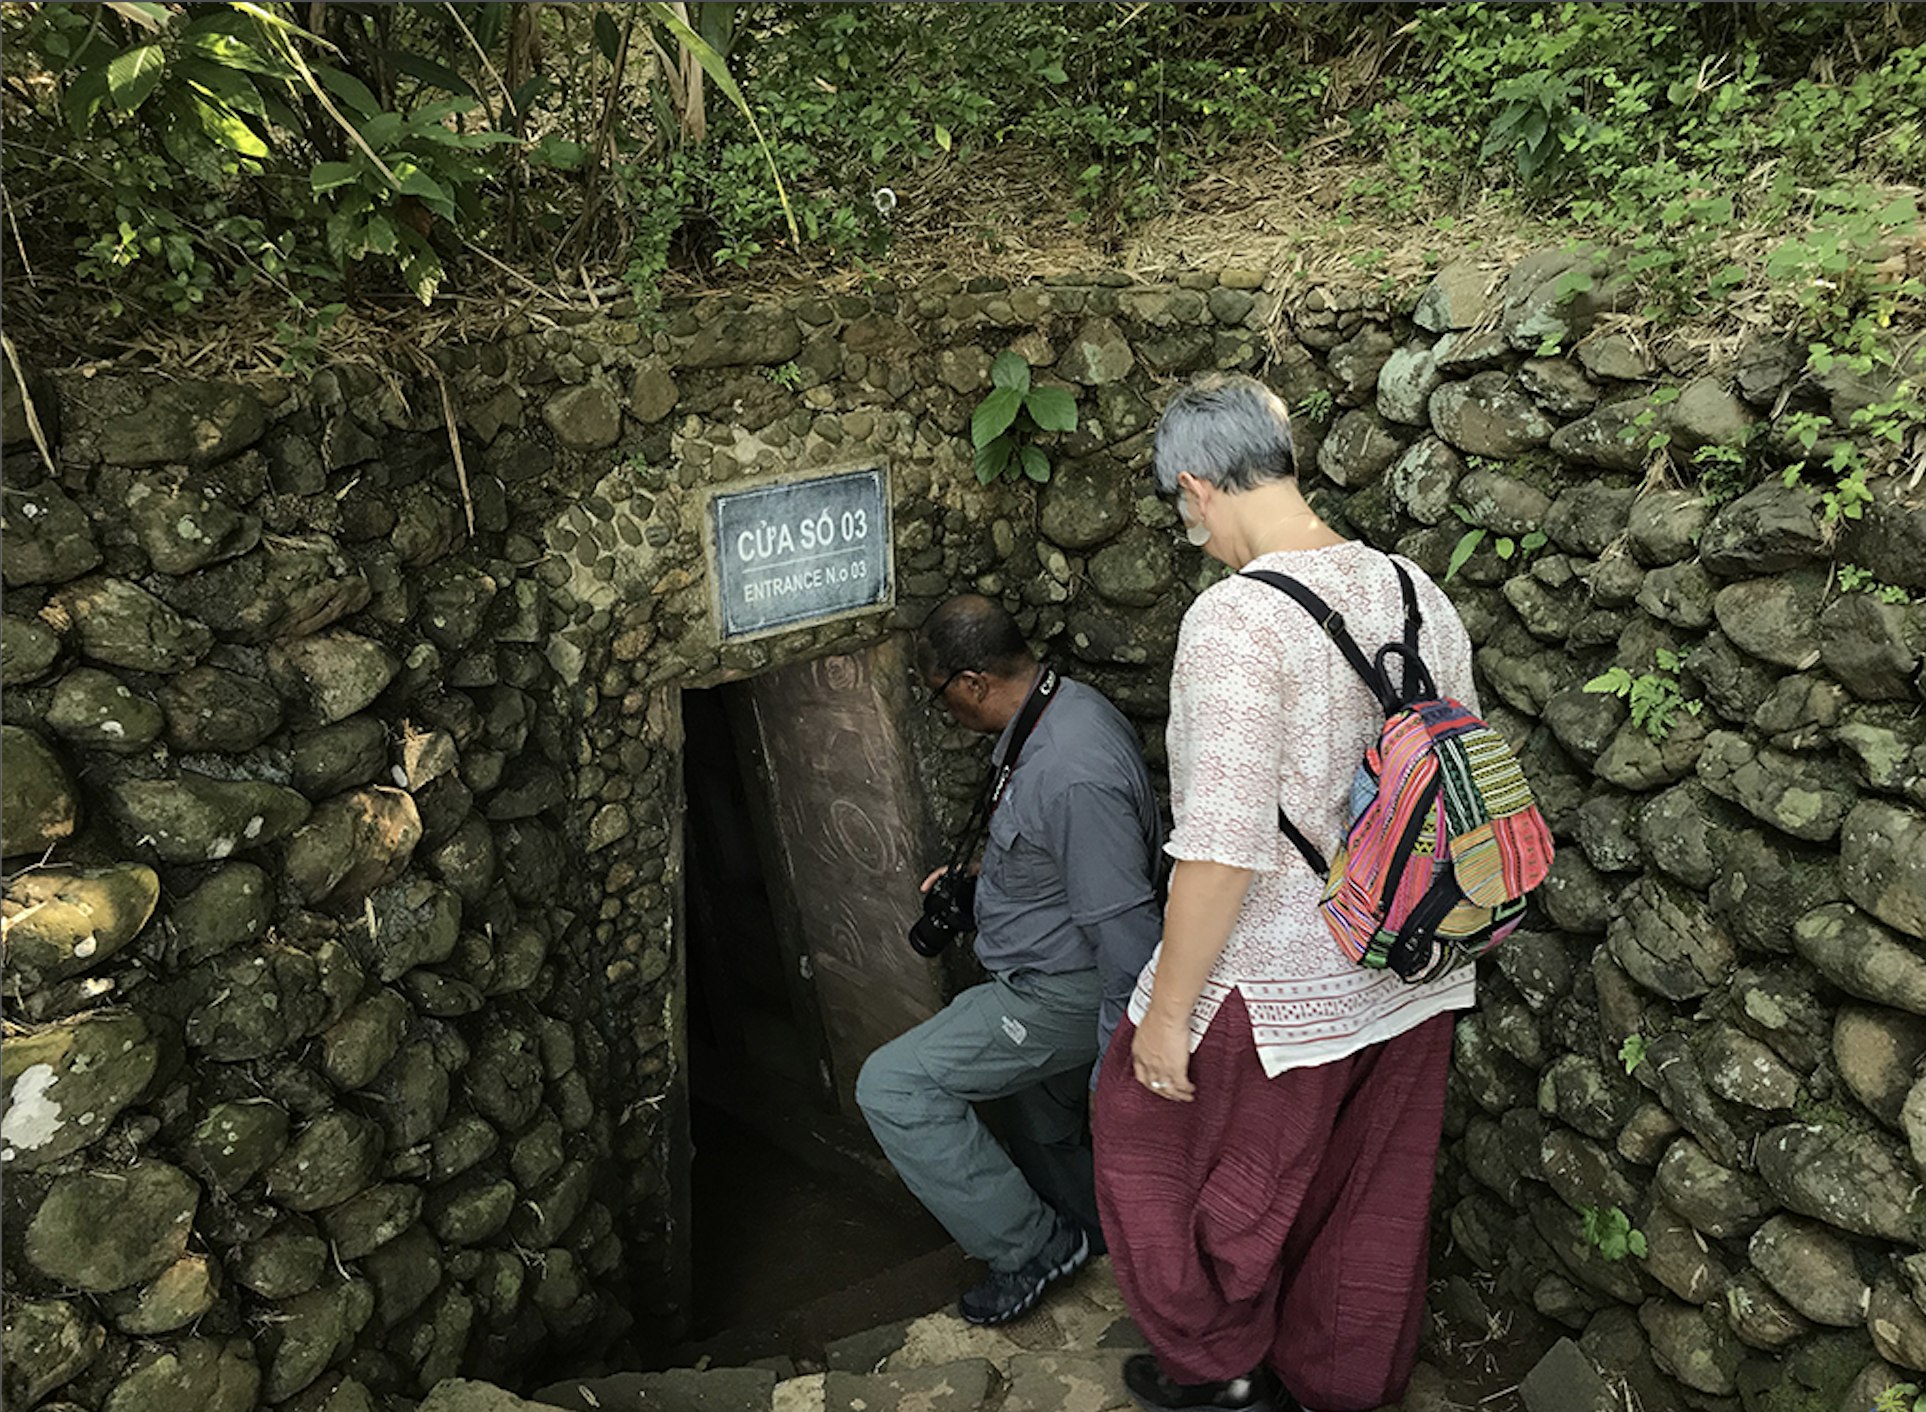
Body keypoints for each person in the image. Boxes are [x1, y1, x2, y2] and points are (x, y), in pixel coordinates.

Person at [1095, 374, 1480, 1412]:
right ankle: (1339, 1386)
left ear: (1197, 486)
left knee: (1140, 1138)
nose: (1194, 538)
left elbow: (1221, 848)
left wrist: (1165, 1018)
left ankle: (1220, 1364)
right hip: (1417, 963)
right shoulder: (1415, 590)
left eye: (1186, 518)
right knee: (1367, 1202)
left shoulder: (1234, 621)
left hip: (1280, 982)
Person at [856, 594, 1162, 1326]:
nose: (948, 716)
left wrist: (1119, 1061)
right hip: (1050, 967)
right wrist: (977, 888)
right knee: (1039, 1122)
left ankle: (1031, 1248)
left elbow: (1125, 931)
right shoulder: (1064, 712)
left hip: (1062, 991)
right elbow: (1057, 862)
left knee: (894, 1087)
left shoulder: (1070, 770)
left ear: (971, 683)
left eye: (941, 701)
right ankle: (1104, 1239)